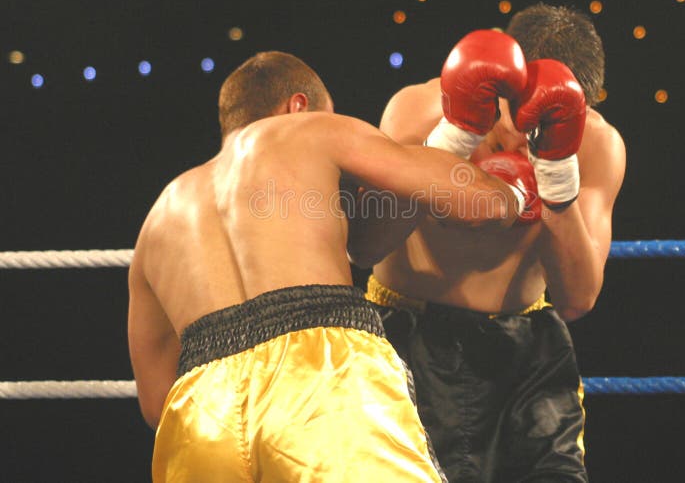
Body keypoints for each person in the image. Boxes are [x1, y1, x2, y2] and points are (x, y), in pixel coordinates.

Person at [127, 50, 534, 482]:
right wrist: (516, 192)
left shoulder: (158, 217)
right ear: (298, 107)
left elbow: (156, 403)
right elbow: (471, 202)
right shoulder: (308, 131)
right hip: (320, 381)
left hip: (200, 415)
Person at [349, 4, 626, 482]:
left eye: (547, 121)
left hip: (526, 358)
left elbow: (579, 298)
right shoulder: (417, 111)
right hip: (403, 340)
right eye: (516, 110)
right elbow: (365, 247)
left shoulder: (598, 147)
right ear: (504, 79)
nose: (522, 133)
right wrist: (449, 144)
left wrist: (556, 172)